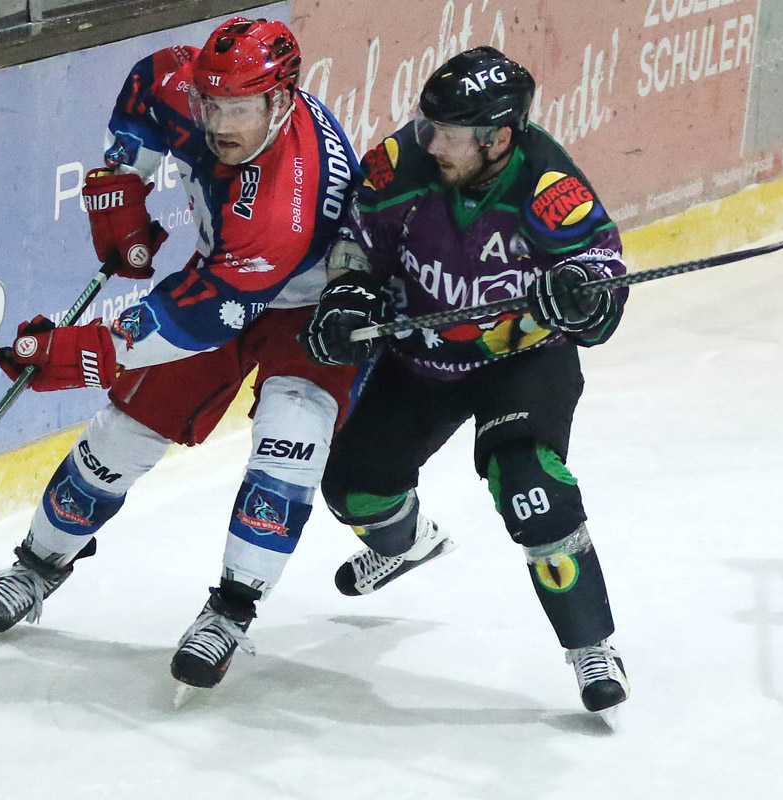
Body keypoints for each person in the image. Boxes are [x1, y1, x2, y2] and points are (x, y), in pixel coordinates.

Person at [0, 17, 359, 694]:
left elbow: (197, 318)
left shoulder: (284, 206)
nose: (220, 123)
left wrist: (88, 350)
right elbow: (148, 86)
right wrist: (125, 186)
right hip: (221, 273)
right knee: (123, 433)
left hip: (315, 312)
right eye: (212, 103)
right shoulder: (187, 88)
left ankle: (230, 612)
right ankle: (35, 565)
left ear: (281, 101)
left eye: (239, 108)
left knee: (286, 447)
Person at [302, 46, 631, 716]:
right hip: (419, 359)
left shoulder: (548, 187)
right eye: (429, 125)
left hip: (522, 361)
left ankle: (591, 647)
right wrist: (347, 298)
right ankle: (408, 545)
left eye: (449, 134)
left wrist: (581, 294)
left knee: (531, 487)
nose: (431, 143)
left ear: (498, 138)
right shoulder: (401, 163)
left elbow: (603, 275)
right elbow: (357, 244)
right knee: (354, 491)